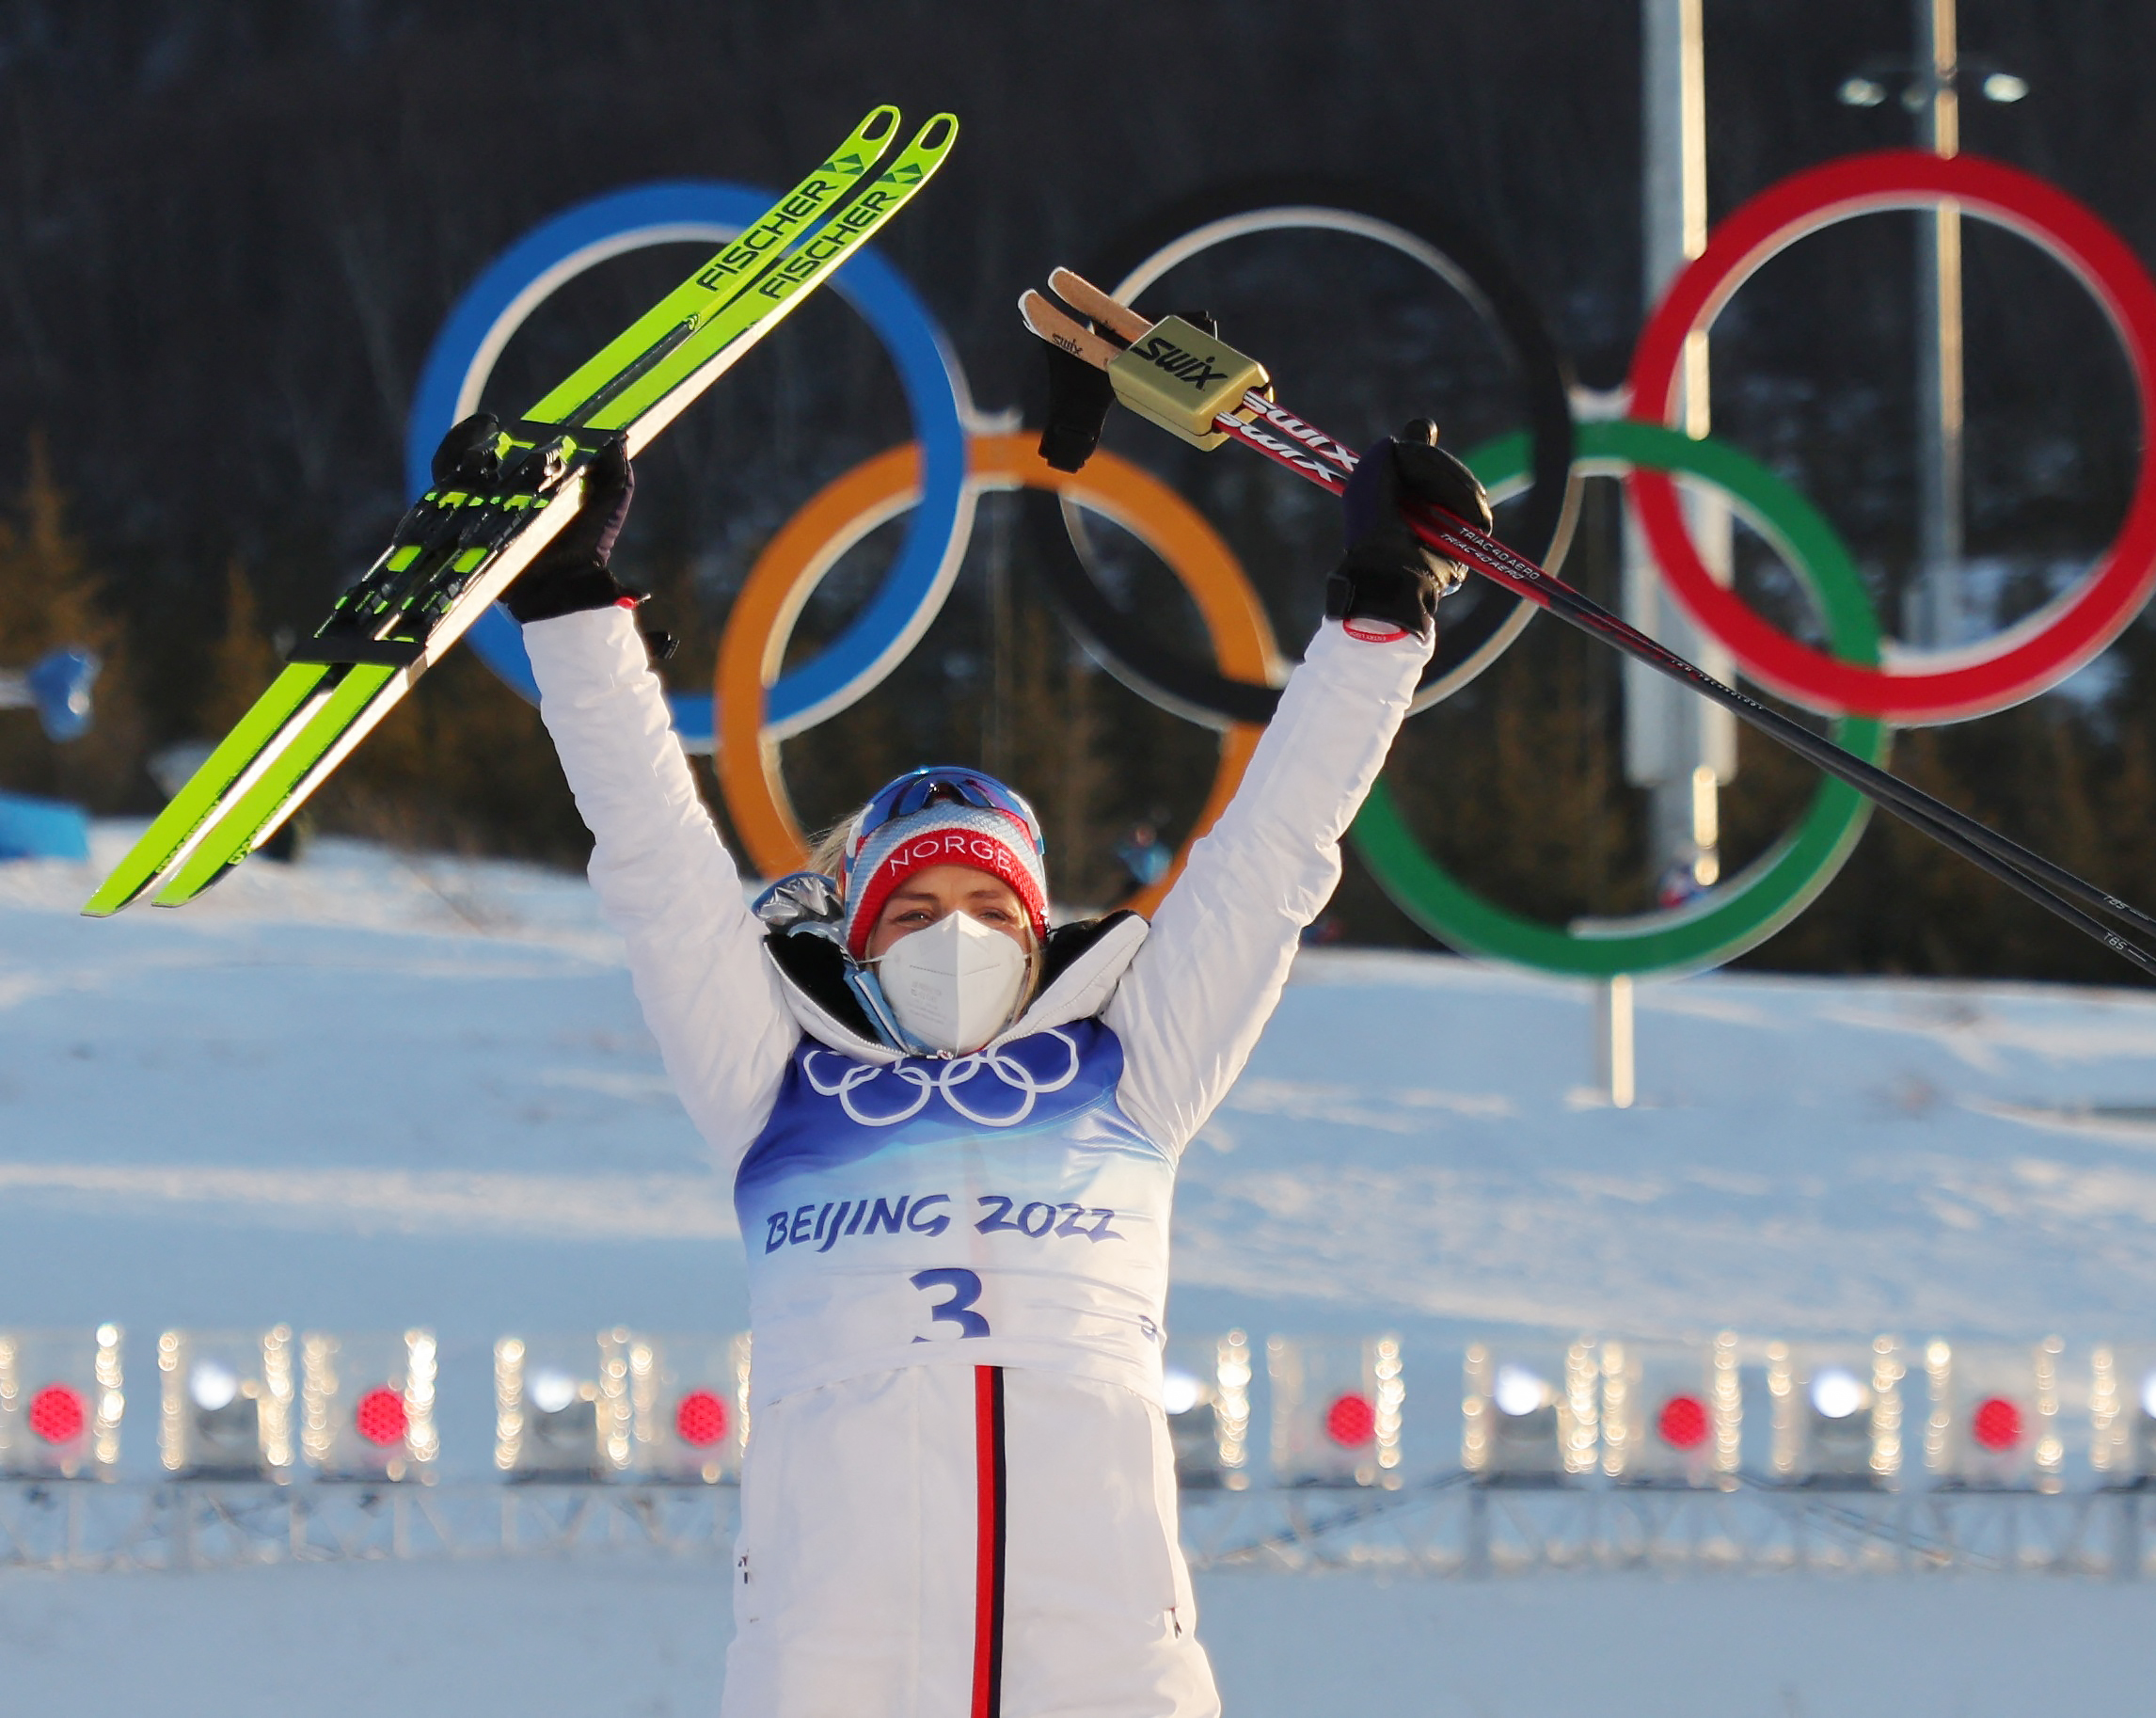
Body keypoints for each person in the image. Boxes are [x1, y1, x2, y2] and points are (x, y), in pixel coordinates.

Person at [468, 406, 1491, 1717]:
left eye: (991, 909)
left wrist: (1382, 613)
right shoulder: (769, 1075)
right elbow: (658, 870)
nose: (952, 933)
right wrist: (570, 608)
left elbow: (1273, 854)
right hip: (831, 1663)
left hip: (1108, 1659)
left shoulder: (1132, 1063)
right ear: (851, 932)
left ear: (1040, 928)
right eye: (908, 909)